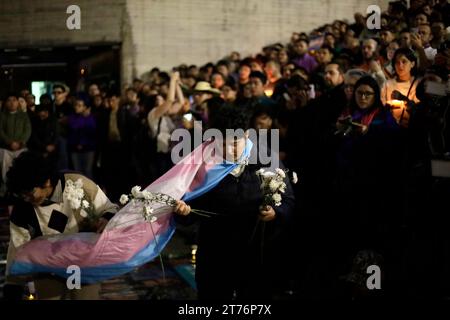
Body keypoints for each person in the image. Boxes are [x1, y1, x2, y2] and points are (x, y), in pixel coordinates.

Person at [174, 105, 295, 300]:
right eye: (222, 143)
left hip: (255, 250)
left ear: (246, 135)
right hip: (215, 251)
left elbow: (288, 200)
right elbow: (191, 205)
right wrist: (184, 212)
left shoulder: (265, 160)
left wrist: (275, 213)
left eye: (235, 142)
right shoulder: (204, 165)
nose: (228, 149)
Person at [3, 152, 119, 300]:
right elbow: (18, 247)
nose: (26, 198)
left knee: (83, 296)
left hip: (80, 261)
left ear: (46, 182)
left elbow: (109, 208)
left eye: (29, 192)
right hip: (46, 266)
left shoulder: (77, 183)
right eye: (22, 195)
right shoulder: (23, 206)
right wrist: (13, 284)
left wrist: (106, 218)